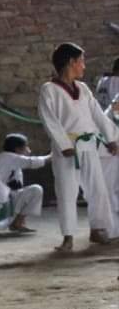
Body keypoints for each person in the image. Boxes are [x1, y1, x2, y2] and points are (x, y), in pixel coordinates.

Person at [37, 43, 119, 251]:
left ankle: (97, 229)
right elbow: (49, 119)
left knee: (97, 188)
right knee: (67, 191)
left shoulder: (83, 88)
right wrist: (64, 144)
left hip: (89, 144)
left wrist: (111, 139)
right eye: (81, 61)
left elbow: (97, 114)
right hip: (67, 148)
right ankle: (68, 237)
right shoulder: (49, 90)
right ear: (71, 62)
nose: (84, 66)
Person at [0, 133, 48, 233]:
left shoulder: (5, 157)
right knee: (36, 190)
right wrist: (52, 156)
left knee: (26, 192)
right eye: (26, 147)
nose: (28, 150)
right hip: (0, 202)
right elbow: (33, 162)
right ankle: (16, 222)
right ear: (17, 149)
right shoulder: (9, 157)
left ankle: (18, 223)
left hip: (4, 198)